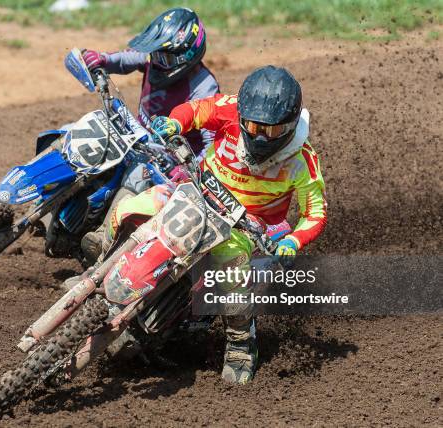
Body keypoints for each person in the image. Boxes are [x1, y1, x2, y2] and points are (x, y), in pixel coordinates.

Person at [95, 65, 327, 384]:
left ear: (288, 126)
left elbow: (315, 213)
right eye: (253, 125)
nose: (260, 135)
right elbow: (195, 109)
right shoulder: (231, 108)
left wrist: (293, 242)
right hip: (198, 192)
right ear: (243, 114)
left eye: (270, 130)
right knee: (130, 208)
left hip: (246, 225)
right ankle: (97, 274)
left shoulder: (302, 159)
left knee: (232, 270)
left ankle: (240, 345)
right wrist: (174, 122)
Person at [75, 7, 220, 263]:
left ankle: (102, 239)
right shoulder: (154, 58)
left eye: (166, 58)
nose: (158, 62)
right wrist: (101, 60)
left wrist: (190, 169)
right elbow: (121, 60)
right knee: (91, 138)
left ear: (187, 55)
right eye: (156, 54)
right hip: (134, 139)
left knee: (137, 175)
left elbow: (211, 144)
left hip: (169, 162)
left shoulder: (205, 87)